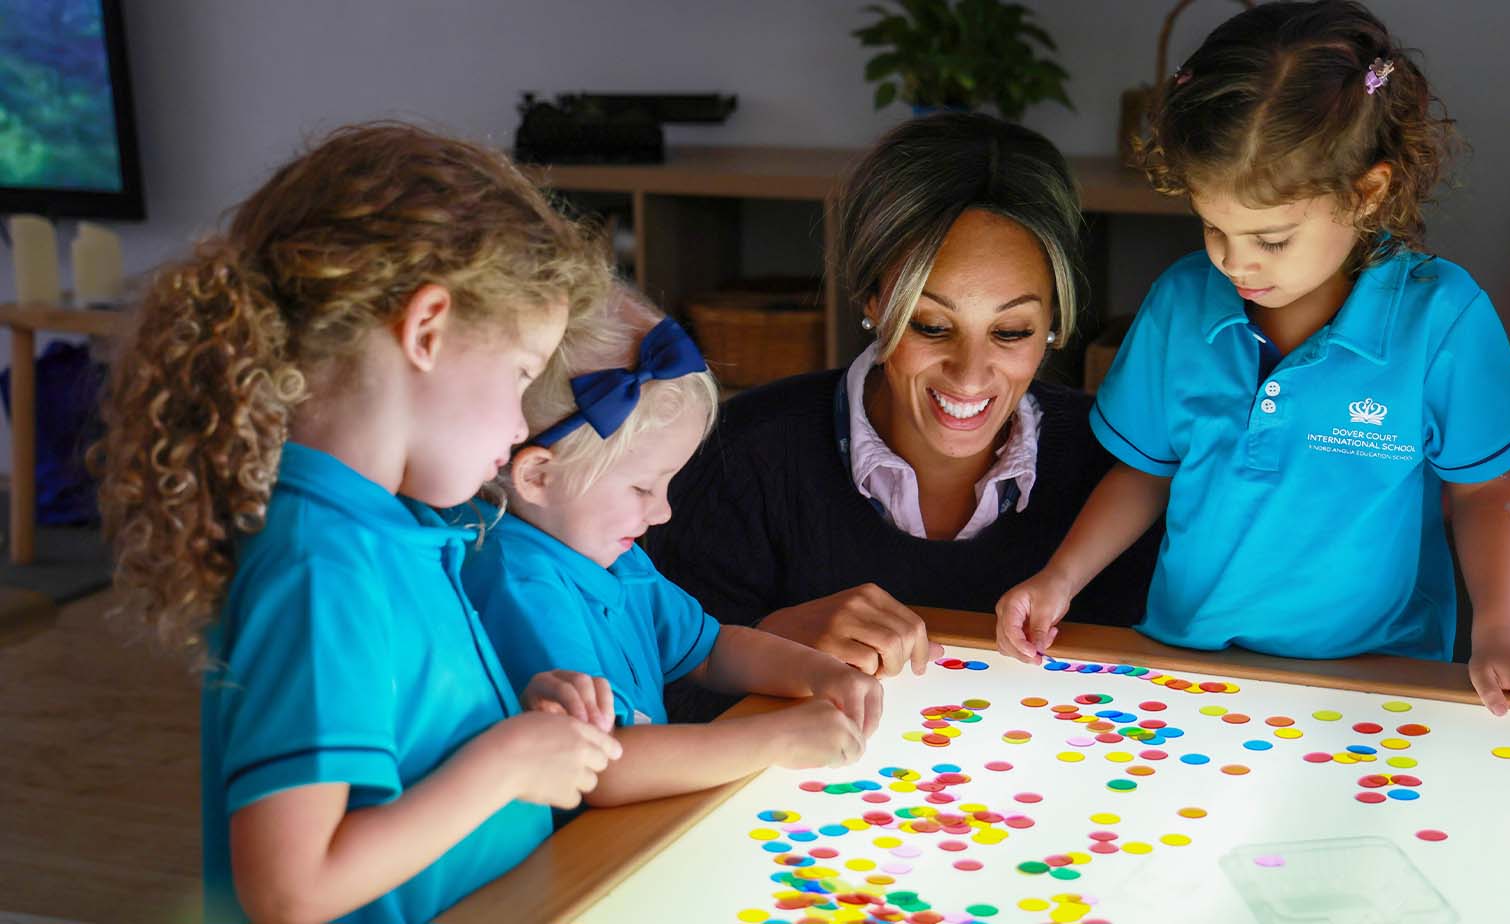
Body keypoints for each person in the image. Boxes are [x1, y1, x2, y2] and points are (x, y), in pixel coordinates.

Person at [996, 1, 1510, 732]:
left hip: (1378, 683)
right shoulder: (1179, 304)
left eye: (1271, 238)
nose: (1234, 260)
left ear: (1366, 192)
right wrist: (1058, 580)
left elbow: (1483, 493)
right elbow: (1146, 472)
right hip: (1189, 670)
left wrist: (1501, 635)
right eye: (1213, 226)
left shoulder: (1440, 319)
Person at [95, 123, 623, 923]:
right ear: (427, 329)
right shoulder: (321, 566)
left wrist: (506, 715)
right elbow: (290, 888)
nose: (522, 426)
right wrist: (506, 764)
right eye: (521, 374)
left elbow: (391, 735)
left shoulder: (385, 528)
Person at [644, 113, 1160, 710]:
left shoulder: (1123, 474)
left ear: (1053, 324)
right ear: (872, 300)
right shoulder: (740, 456)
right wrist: (765, 644)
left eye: (1012, 331)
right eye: (932, 325)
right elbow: (654, 693)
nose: (970, 374)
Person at [461, 286, 884, 806]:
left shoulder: (606, 551)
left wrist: (820, 672)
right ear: (540, 477)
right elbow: (602, 769)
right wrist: (775, 738)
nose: (662, 513)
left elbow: (709, 650)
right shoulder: (519, 579)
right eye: (642, 488)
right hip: (578, 864)